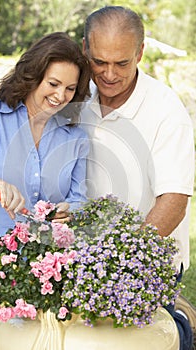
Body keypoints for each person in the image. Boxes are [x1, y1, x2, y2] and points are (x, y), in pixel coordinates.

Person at [80, 6, 195, 350]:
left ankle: (180, 326)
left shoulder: (165, 109)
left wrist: (122, 263)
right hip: (84, 259)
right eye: (99, 61)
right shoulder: (75, 94)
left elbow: (173, 202)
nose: (109, 74)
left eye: (122, 63)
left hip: (146, 260)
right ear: (85, 48)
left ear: (140, 52)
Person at [0, 32, 91, 270]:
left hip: (38, 274)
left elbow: (78, 199)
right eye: (53, 84)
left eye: (70, 89)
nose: (60, 96)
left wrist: (67, 211)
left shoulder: (75, 139)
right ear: (33, 76)